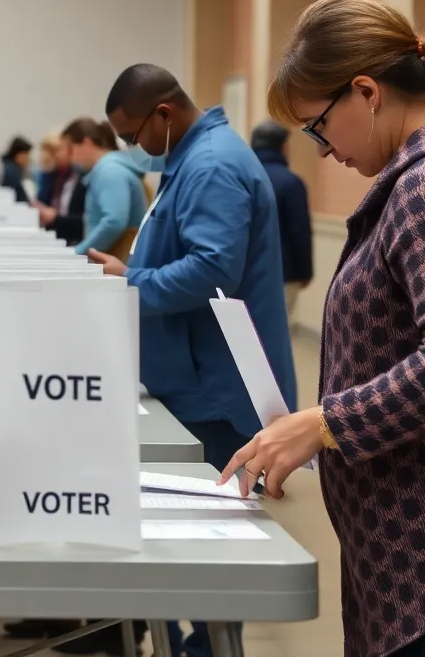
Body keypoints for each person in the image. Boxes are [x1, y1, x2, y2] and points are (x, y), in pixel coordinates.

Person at [220, 0, 425, 657]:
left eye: (319, 128)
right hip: (413, 562)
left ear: (368, 93)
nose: (322, 152)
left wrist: (326, 423)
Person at [89, 64, 295, 657]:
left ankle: (205, 649)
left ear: (165, 115)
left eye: (134, 136)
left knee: (212, 550)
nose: (135, 150)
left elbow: (212, 269)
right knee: (196, 546)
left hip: (217, 388)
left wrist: (132, 281)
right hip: (196, 379)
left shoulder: (210, 166)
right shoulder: (194, 160)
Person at [250, 121, 313, 318]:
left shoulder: (241, 178)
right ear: (284, 147)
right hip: (284, 272)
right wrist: (305, 271)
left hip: (246, 273)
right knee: (278, 332)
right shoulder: (290, 182)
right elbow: (299, 231)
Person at [62, 117, 149, 260]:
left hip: (122, 263)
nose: (69, 157)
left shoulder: (109, 170)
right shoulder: (109, 168)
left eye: (71, 149)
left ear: (86, 143)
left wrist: (79, 254)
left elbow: (114, 221)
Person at [34, 133, 88, 247]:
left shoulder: (80, 177)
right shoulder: (54, 176)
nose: (55, 155)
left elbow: (83, 220)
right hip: (54, 235)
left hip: (73, 239)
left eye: (58, 150)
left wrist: (56, 217)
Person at [0, 136, 33, 202]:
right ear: (18, 155)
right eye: (27, 155)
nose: (28, 159)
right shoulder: (12, 173)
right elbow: (21, 198)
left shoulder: (6, 166)